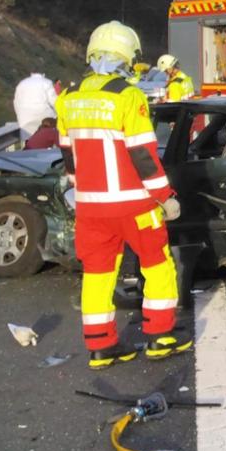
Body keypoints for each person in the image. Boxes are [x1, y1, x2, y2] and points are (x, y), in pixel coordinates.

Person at [56, 21, 192, 369]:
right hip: (134, 204)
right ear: (126, 57)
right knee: (157, 265)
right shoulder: (128, 96)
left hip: (90, 208)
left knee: (98, 273)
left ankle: (101, 345)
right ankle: (160, 336)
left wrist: (77, 185)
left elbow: (68, 153)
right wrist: (165, 196)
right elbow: (142, 154)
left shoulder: (68, 99)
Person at [13, 72, 57, 140]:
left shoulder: (22, 83)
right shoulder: (47, 82)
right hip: (44, 115)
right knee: (46, 139)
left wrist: (19, 115)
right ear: (43, 75)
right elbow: (54, 101)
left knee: (29, 140)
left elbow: (16, 102)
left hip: (25, 117)